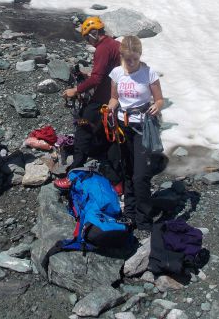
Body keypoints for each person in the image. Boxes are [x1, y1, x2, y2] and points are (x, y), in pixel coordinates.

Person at [54, 16, 121, 189]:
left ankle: (74, 173)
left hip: (101, 100)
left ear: (94, 33)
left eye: (87, 37)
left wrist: (76, 90)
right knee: (111, 136)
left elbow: (98, 78)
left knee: (83, 130)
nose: (88, 42)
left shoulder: (103, 49)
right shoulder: (115, 45)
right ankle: (117, 179)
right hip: (114, 99)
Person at [107, 35, 164, 234]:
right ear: (122, 56)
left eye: (135, 58)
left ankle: (144, 218)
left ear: (140, 55)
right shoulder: (116, 74)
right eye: (127, 59)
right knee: (128, 171)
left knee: (141, 175)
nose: (131, 63)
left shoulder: (149, 74)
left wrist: (156, 106)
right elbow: (114, 98)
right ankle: (130, 213)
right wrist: (109, 110)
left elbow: (159, 99)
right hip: (123, 126)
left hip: (143, 126)